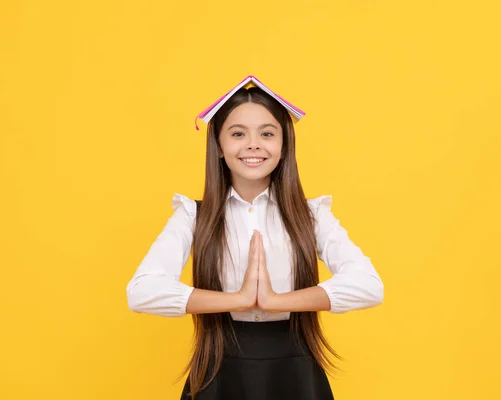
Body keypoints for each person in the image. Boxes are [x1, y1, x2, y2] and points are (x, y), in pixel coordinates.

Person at [126, 76, 384, 400]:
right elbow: (141, 291)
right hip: (219, 375)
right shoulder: (192, 216)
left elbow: (369, 285)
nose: (253, 144)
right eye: (237, 134)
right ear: (218, 146)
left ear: (283, 145)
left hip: (296, 376)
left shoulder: (311, 215)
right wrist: (240, 299)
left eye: (267, 133)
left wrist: (276, 301)